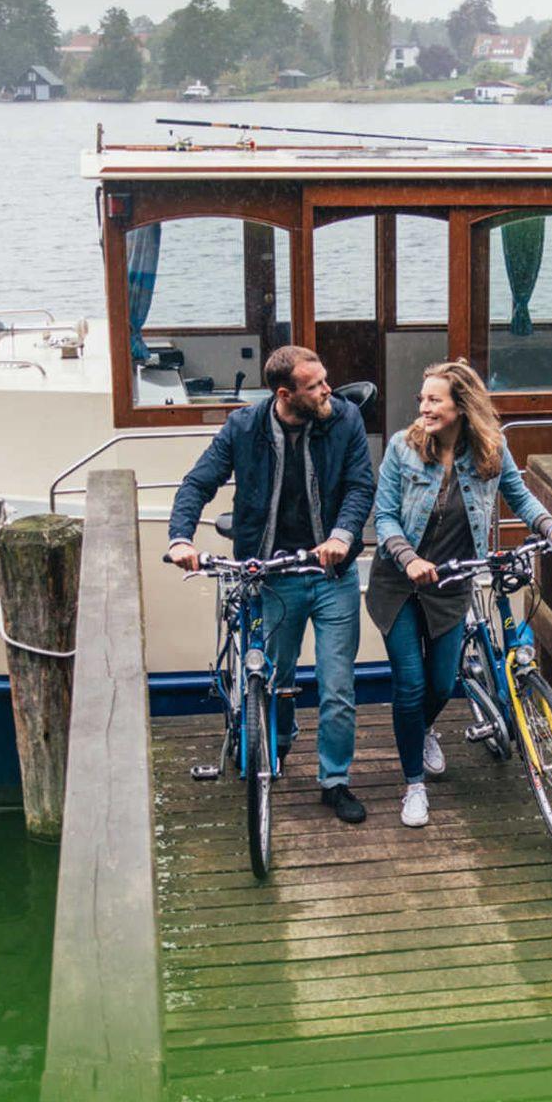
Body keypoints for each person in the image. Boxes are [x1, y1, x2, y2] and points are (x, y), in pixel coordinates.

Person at [166, 345, 374, 824]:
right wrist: (180, 538)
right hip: (272, 575)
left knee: (337, 686)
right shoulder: (243, 427)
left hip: (330, 574)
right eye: (315, 386)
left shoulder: (345, 419)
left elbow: (361, 486)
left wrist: (342, 537)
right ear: (285, 394)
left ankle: (335, 780)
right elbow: (198, 483)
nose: (328, 391)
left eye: (325, 380)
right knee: (276, 678)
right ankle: (275, 741)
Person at [371, 361, 552, 828]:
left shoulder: (491, 448)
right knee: (411, 684)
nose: (423, 408)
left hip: (450, 583)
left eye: (434, 400)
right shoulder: (403, 448)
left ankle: (421, 729)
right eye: (422, 399)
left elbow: (518, 496)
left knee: (443, 683)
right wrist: (409, 558)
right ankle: (414, 786)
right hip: (398, 582)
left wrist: (550, 526)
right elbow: (384, 517)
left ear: (461, 406)